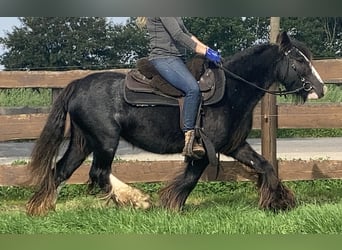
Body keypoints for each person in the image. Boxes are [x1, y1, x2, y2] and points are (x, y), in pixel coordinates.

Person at [136, 17, 221, 159]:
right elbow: (177, 35)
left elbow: (188, 35)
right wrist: (205, 52)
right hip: (164, 58)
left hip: (178, 59)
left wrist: (208, 50)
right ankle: (189, 138)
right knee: (192, 89)